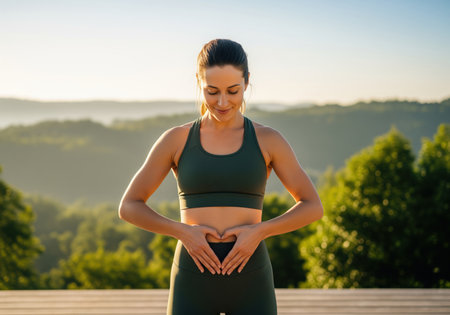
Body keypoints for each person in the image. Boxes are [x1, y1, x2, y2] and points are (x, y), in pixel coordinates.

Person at [118, 38, 324, 315]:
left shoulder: (268, 140)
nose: (223, 102)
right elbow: (129, 206)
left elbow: (312, 206)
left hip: (251, 275)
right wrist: (183, 232)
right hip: (192, 276)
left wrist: (260, 231)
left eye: (233, 91)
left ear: (247, 82)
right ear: (198, 82)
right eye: (212, 91)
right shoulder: (176, 140)